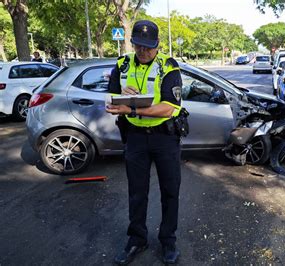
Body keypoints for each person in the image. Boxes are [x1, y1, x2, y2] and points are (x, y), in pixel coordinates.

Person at [106, 20, 183, 265]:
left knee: (170, 192)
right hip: (136, 139)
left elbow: (170, 108)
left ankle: (168, 241)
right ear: (132, 42)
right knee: (137, 193)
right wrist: (120, 98)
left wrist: (132, 109)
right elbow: (110, 102)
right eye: (138, 45)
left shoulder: (168, 67)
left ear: (157, 44)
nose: (143, 51)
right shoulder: (122, 64)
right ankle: (137, 239)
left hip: (164, 138)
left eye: (148, 47)